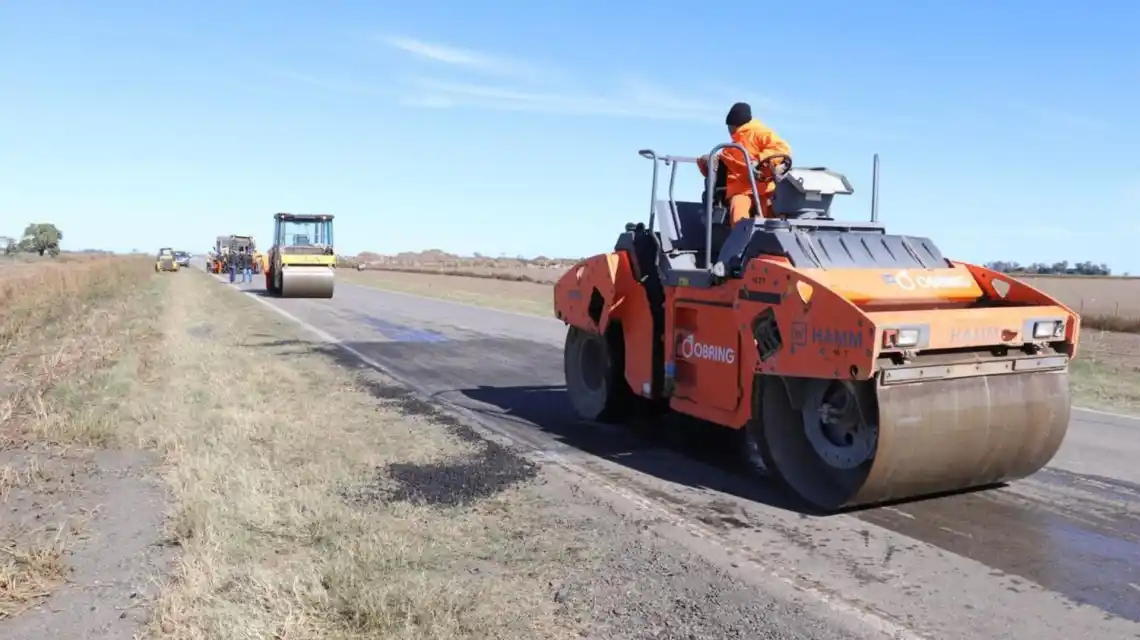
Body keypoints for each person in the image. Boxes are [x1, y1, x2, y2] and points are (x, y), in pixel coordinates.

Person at [697, 102, 792, 225]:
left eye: (729, 127)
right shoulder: (732, 146)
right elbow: (723, 162)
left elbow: (782, 149)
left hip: (763, 189)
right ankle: (742, 242)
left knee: (772, 215)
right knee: (738, 212)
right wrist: (706, 161)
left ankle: (769, 241)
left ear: (734, 125)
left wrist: (759, 160)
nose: (729, 131)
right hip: (741, 191)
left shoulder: (760, 133)